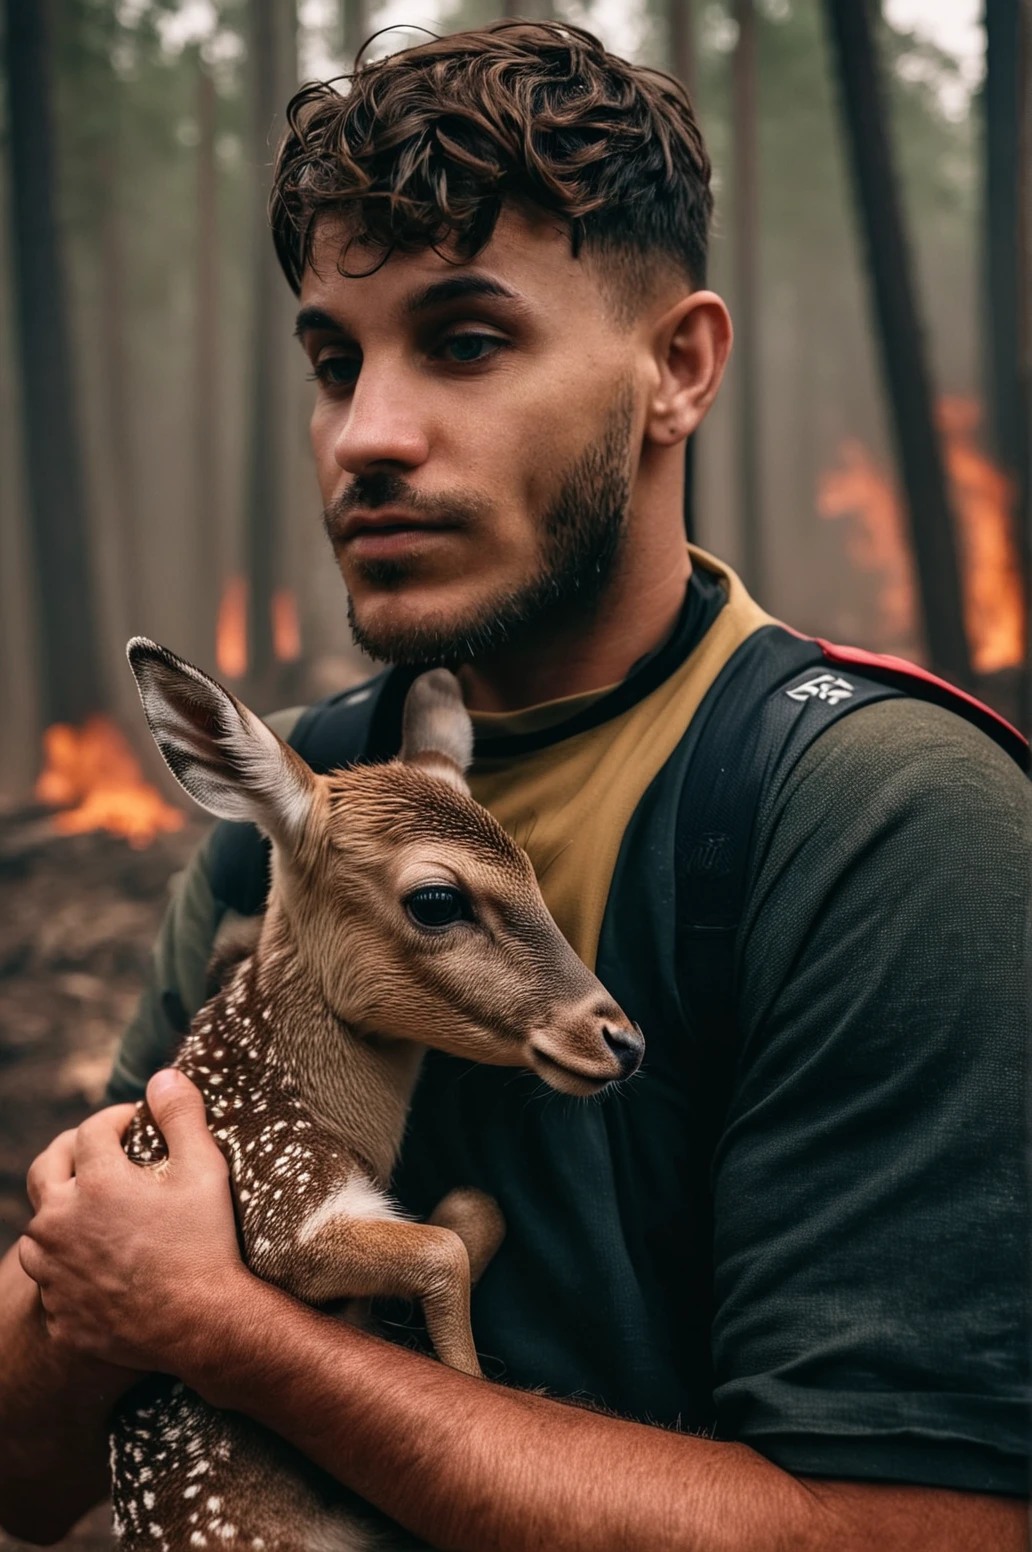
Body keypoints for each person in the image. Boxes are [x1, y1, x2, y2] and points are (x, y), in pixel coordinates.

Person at [3, 21, 1028, 1550]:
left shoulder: (878, 817)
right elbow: (29, 1466)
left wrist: (232, 1335)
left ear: (676, 369)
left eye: (466, 342)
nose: (367, 435)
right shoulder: (288, 822)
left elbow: (916, 1531)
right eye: (336, 363)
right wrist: (102, 1299)